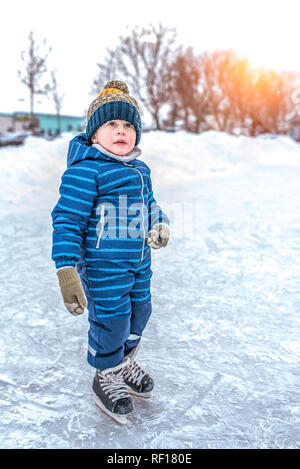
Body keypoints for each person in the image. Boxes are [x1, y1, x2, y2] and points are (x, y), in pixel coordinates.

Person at [51, 80, 170, 423]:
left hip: (138, 265)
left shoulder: (140, 171)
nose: (122, 131)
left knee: (140, 313)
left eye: (129, 125)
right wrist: (66, 268)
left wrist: (159, 224)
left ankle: (123, 362)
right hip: (104, 269)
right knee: (111, 322)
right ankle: (106, 374)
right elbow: (67, 220)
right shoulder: (86, 171)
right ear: (93, 134)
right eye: (112, 124)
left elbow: (150, 206)